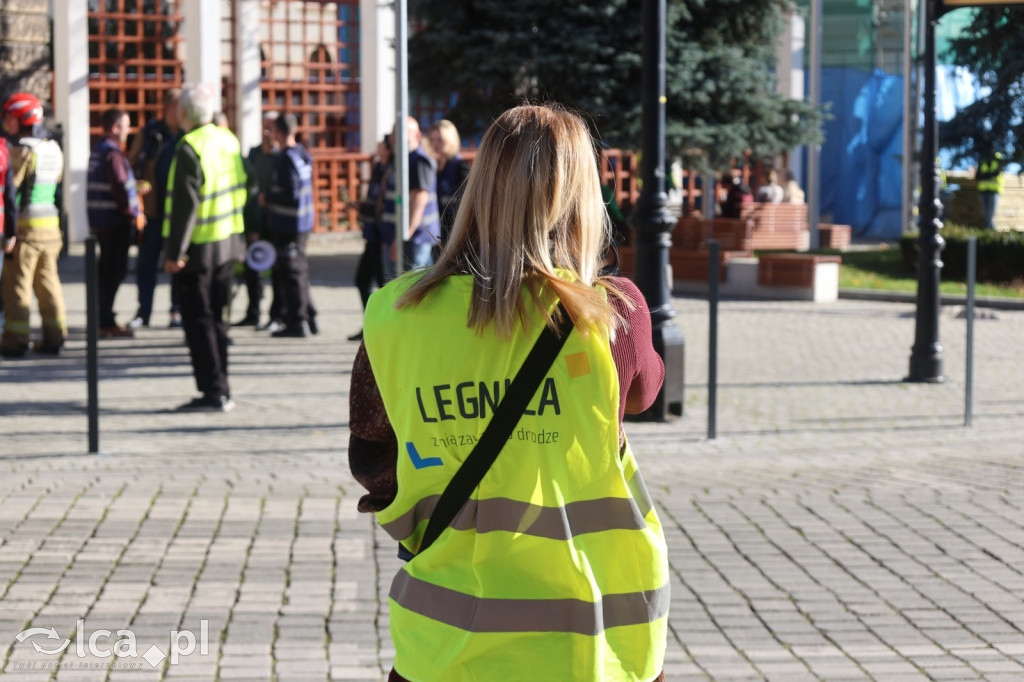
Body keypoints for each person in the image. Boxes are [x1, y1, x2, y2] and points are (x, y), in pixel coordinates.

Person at [349, 104, 669, 681]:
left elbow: (372, 458)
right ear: (582, 200)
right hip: (589, 644)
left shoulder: (395, 313)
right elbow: (644, 390)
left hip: (445, 643)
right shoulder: (612, 313)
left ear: (479, 188)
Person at [162, 82, 246, 412]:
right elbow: (247, 182)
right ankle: (221, 386)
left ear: (183, 113)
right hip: (228, 242)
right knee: (218, 320)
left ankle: (214, 392)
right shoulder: (228, 139)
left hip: (198, 250)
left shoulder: (189, 147)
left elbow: (185, 207)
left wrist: (173, 254)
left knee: (199, 323)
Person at [0, 93, 66, 358]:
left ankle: (15, 341)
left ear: (23, 118)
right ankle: (55, 337)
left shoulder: (22, 151)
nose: (6, 121)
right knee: (48, 284)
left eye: (10, 116)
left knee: (17, 287)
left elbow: (11, 191)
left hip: (26, 232)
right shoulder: (52, 148)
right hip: (51, 231)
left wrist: (9, 232)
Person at [86, 108, 147, 338]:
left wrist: (135, 187)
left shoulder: (99, 150)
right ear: (115, 127)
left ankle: (103, 319)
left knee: (106, 273)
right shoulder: (112, 153)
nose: (128, 131)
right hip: (115, 222)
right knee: (113, 272)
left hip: (103, 221)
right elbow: (120, 188)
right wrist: (135, 215)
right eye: (126, 125)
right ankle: (106, 321)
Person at [128, 88, 183, 330]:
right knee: (146, 263)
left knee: (178, 263)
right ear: (170, 107)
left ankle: (177, 311)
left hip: (178, 214)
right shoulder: (150, 134)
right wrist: (138, 184)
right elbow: (131, 163)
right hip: (153, 212)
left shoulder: (187, 134)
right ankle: (144, 312)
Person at [263, 112, 316, 338]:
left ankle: (297, 322)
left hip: (288, 225)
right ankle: (311, 317)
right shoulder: (302, 153)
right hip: (302, 224)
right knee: (300, 271)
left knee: (291, 273)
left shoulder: (285, 159)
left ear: (278, 131)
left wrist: (268, 198)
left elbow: (291, 194)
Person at [233, 111, 280, 328]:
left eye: (271, 126)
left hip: (275, 221)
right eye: (265, 126)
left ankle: (276, 316)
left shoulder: (281, 156)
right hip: (254, 220)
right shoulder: (253, 153)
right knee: (252, 269)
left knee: (278, 271)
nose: (267, 131)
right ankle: (252, 313)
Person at [383, 117, 440, 278]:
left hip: (415, 239)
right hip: (403, 236)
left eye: (402, 132)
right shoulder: (402, 159)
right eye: (394, 132)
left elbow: (419, 201)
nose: (395, 137)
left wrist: (402, 237)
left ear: (416, 135)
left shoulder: (419, 161)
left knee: (410, 288)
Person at [348, 134, 392, 342]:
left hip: (383, 237)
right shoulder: (379, 169)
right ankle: (371, 326)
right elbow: (375, 203)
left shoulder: (391, 171)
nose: (377, 147)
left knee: (384, 285)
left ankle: (380, 329)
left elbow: (385, 206)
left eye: (382, 144)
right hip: (372, 235)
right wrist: (361, 207)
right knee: (362, 280)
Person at [427, 119, 470, 249]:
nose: (435, 144)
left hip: (454, 232)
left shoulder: (460, 166)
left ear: (450, 140)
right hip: (436, 231)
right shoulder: (435, 166)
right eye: (433, 140)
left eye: (440, 140)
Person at [976, 141, 1004, 230]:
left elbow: (996, 173)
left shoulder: (998, 158)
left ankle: (988, 227)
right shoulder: (983, 159)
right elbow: (978, 176)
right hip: (983, 189)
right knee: (985, 212)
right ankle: (989, 228)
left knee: (991, 212)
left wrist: (985, 176)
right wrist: (988, 176)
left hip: (994, 189)